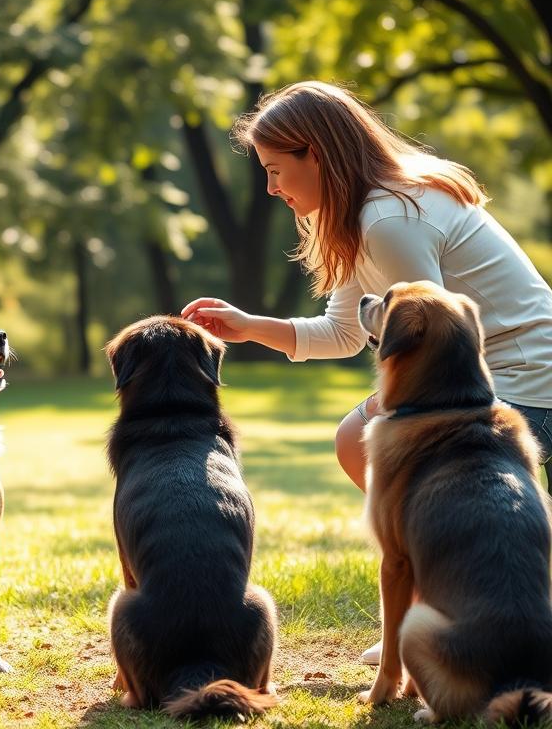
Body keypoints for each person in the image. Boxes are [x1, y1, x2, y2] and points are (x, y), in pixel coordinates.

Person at [181, 80, 552, 665]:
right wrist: (249, 326)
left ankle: (455, 605)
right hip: (480, 371)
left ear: (316, 154)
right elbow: (345, 331)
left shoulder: (388, 218)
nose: (272, 188)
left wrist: (396, 408)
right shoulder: (359, 214)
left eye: (276, 171)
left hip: (525, 378)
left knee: (375, 440)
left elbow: (430, 332)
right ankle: (434, 605)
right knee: (358, 437)